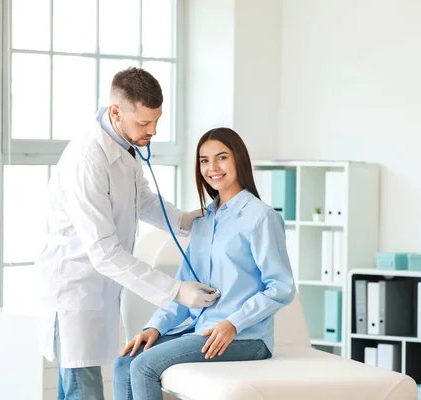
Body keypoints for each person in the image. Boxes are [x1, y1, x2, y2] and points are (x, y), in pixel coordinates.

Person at [36, 67, 219, 400]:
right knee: (83, 390)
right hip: (76, 287)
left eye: (156, 121)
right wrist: (176, 290)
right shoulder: (87, 160)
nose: (152, 131)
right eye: (144, 123)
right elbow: (104, 252)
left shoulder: (123, 143)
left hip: (98, 285)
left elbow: (142, 198)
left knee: (79, 388)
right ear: (116, 112)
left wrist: (183, 220)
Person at [112, 127, 297, 400]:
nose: (213, 168)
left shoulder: (261, 217)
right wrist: (155, 326)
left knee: (144, 366)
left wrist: (233, 323)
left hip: (246, 337)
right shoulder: (203, 221)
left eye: (221, 157)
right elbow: (185, 288)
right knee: (126, 361)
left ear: (238, 160)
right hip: (202, 329)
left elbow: (281, 287)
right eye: (204, 160)